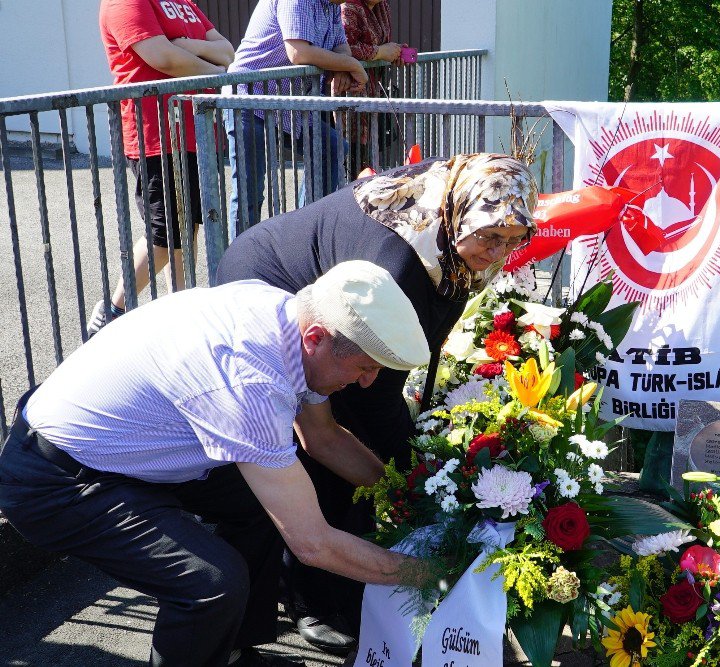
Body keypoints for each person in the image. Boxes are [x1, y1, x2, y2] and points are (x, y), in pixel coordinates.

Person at [0, 260, 431, 667]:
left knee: (268, 503)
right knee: (210, 585)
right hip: (56, 479)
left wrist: (411, 499)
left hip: (125, 448)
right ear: (316, 338)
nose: (368, 381)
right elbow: (312, 544)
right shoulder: (250, 379)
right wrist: (430, 575)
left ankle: (229, 652)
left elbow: (322, 438)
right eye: (364, 367)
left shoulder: (284, 314)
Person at [216, 153, 538, 653]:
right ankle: (311, 601)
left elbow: (427, 333)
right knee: (315, 451)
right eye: (491, 237)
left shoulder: (455, 227)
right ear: (462, 216)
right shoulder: (401, 260)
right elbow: (377, 395)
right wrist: (416, 475)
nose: (499, 252)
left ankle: (335, 586)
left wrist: (413, 469)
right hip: (273, 282)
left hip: (345, 300)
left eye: (514, 241)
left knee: (349, 447)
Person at [88, 0, 235, 337]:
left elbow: (226, 49)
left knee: (189, 227)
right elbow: (162, 58)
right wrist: (214, 71)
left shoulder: (182, 2)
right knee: (165, 234)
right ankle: (113, 309)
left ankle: (182, 312)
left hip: (194, 133)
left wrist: (184, 47)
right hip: (155, 133)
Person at [226, 0, 369, 240]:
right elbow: (299, 52)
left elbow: (341, 47)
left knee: (332, 147)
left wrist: (344, 66)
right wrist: (351, 64)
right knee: (249, 193)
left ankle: (302, 239)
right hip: (250, 99)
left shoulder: (332, 6)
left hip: (291, 103)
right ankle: (239, 268)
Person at [340, 0, 405, 169]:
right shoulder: (348, 6)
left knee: (362, 158)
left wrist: (394, 52)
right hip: (346, 89)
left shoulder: (381, 6)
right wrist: (380, 52)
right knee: (340, 157)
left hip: (371, 91)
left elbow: (380, 43)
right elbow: (344, 48)